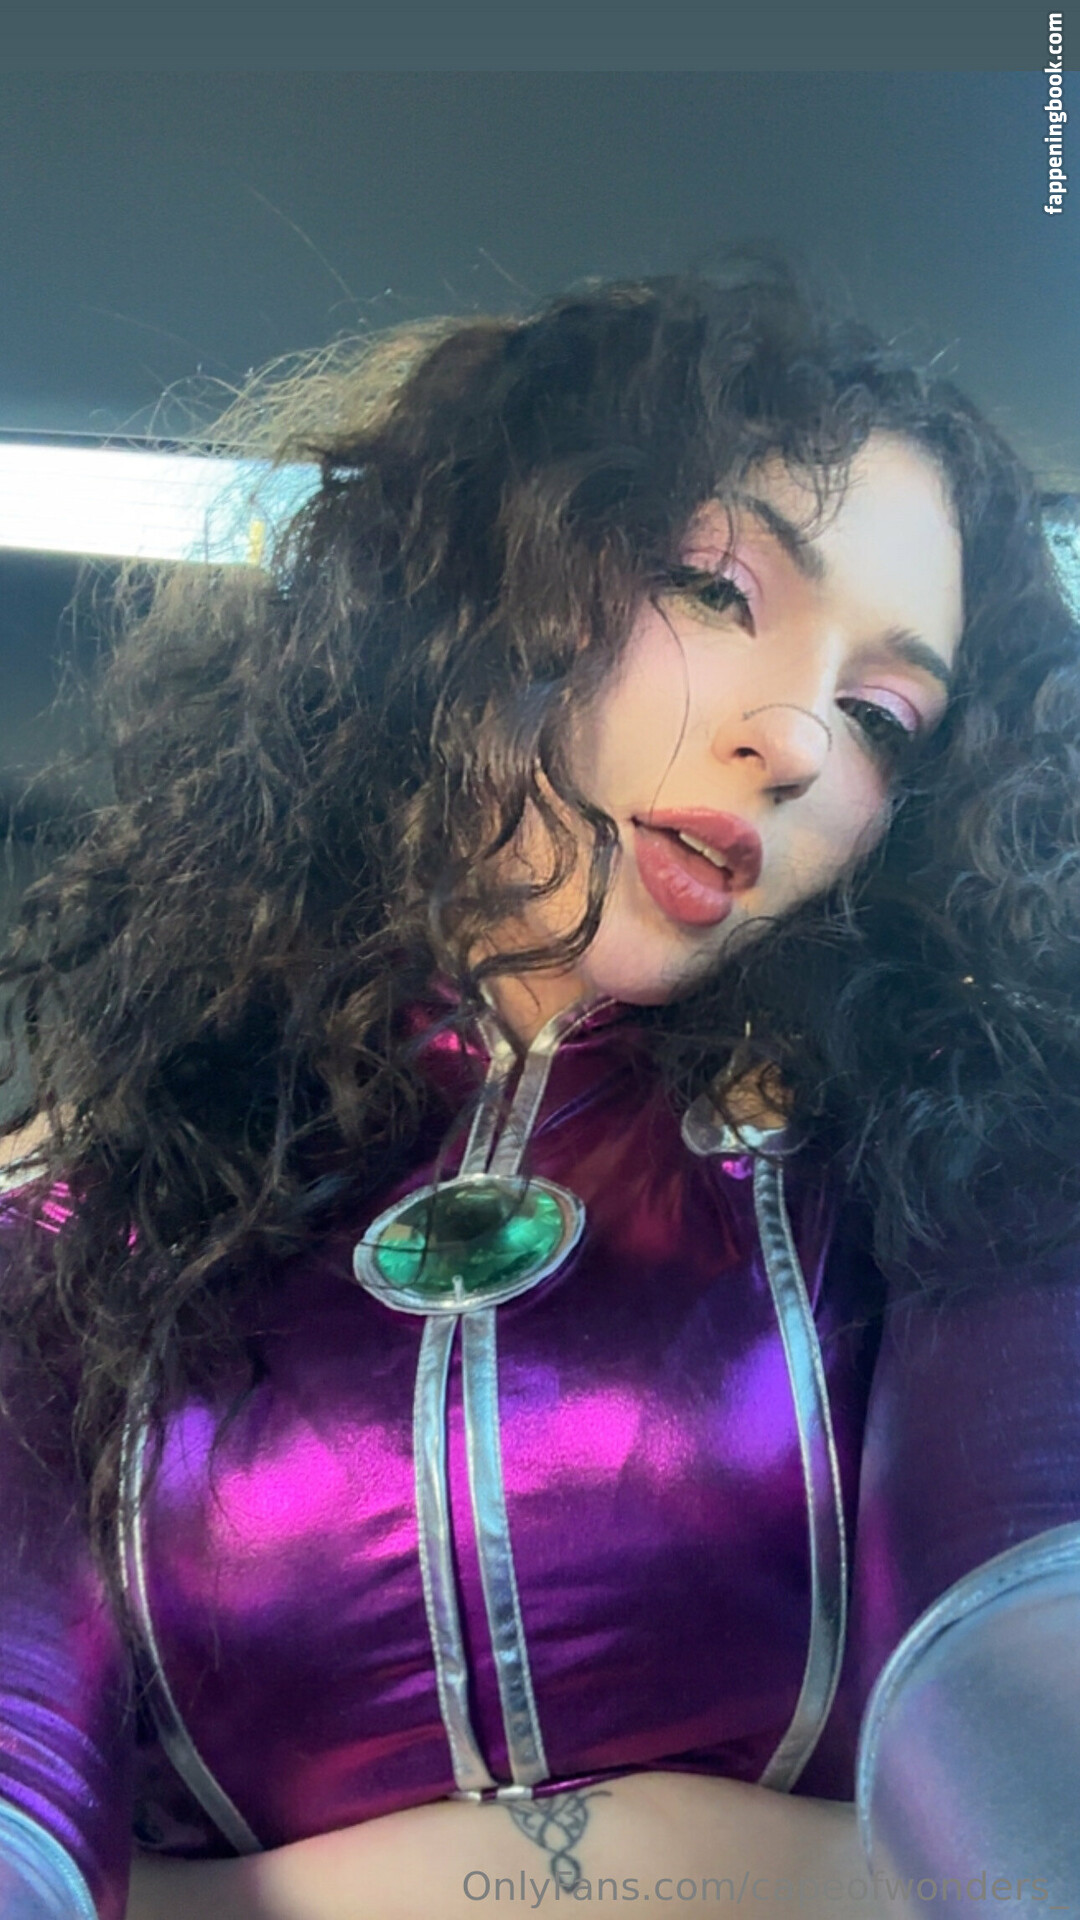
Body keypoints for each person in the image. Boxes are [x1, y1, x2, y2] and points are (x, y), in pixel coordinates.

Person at [2, 264, 1080, 1920]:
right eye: (714, 588)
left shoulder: (974, 1179)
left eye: (883, 716)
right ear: (487, 574)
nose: (799, 741)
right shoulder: (89, 1226)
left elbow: (1029, 1806)